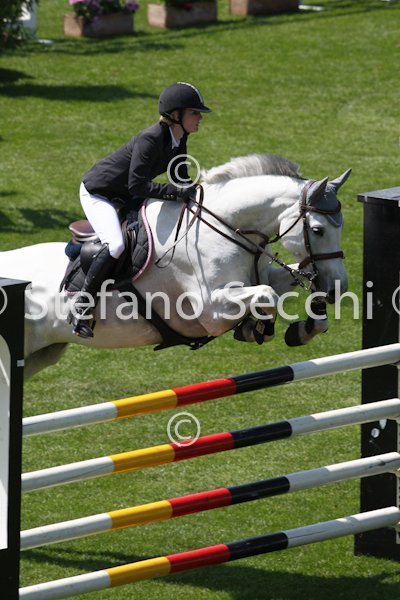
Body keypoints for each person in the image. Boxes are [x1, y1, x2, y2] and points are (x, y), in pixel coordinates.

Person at [68, 82, 212, 339]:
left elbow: (180, 176)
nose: (200, 117)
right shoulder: (151, 139)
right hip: (99, 193)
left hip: (126, 194)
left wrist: (199, 194)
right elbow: (138, 184)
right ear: (176, 114)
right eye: (195, 112)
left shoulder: (179, 137)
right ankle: (82, 304)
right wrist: (175, 192)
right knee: (116, 245)